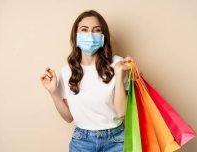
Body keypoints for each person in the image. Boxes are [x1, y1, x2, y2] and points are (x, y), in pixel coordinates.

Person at [40, 10, 133, 152]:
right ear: (76, 36)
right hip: (82, 142)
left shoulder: (118, 64)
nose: (90, 35)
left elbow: (121, 113)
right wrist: (54, 92)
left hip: (116, 140)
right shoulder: (67, 72)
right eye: (84, 30)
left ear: (103, 37)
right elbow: (68, 117)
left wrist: (119, 74)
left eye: (96, 30)